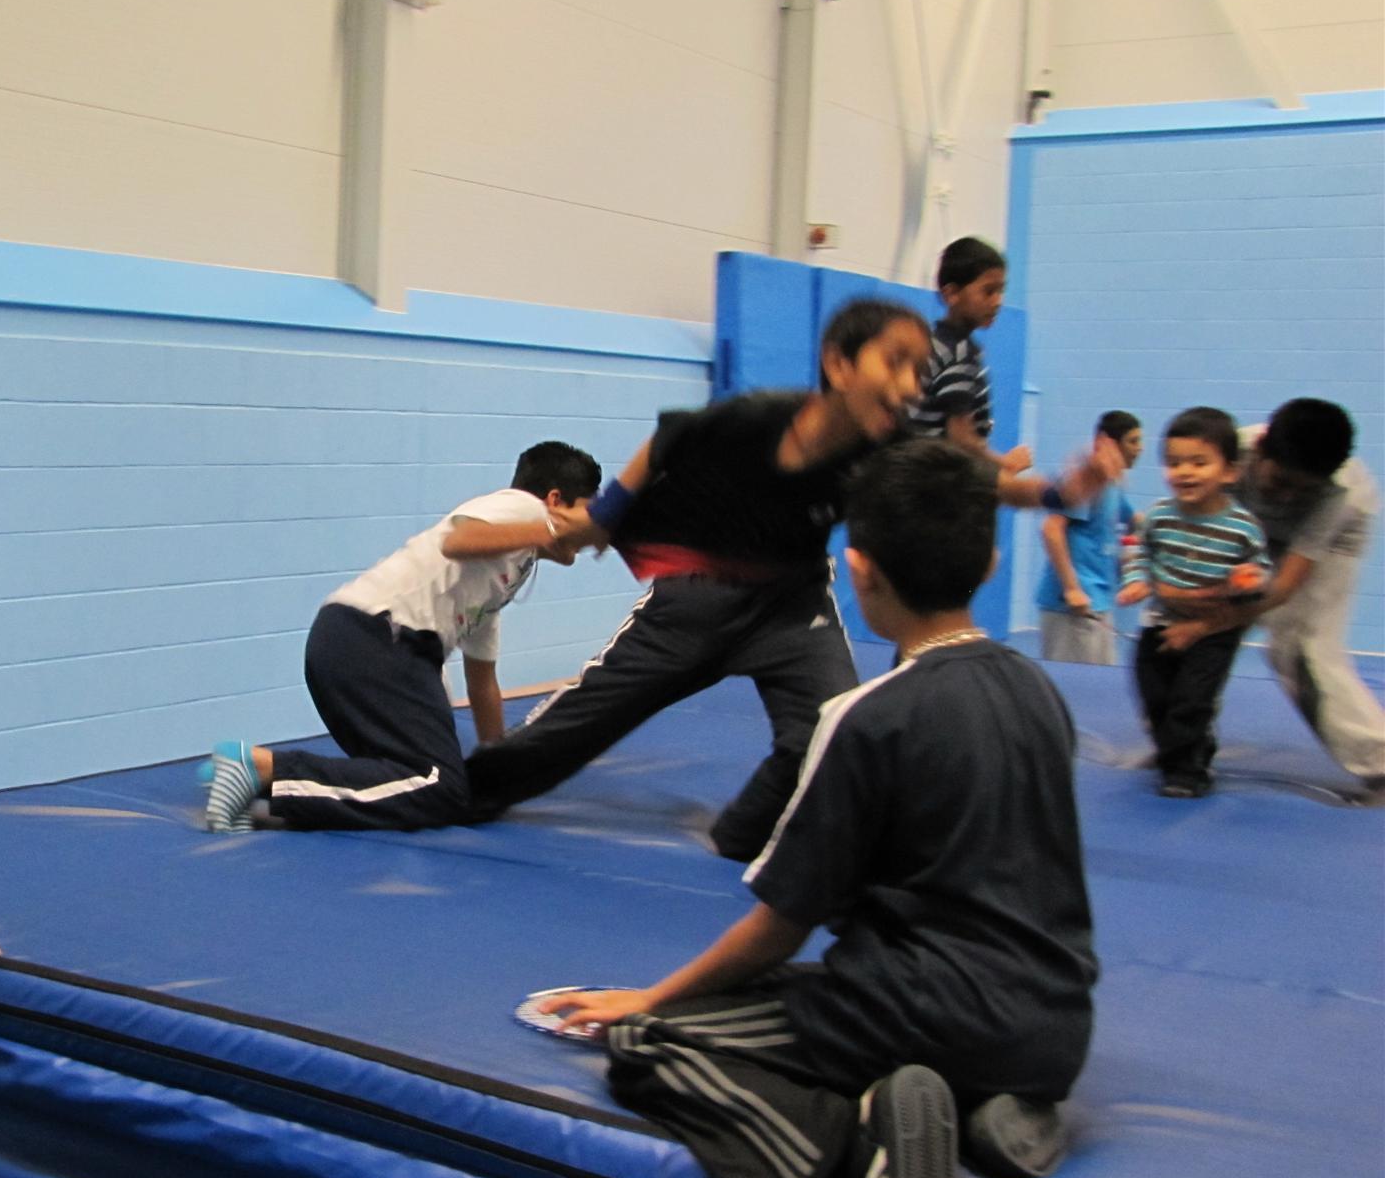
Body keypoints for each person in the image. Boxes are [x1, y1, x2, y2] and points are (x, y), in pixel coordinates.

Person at [536, 440, 1097, 1178]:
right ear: (990, 562)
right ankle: (993, 1109)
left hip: (910, 1013)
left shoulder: (866, 718)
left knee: (652, 1045)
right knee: (940, 1014)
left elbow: (780, 927)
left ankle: (869, 1132)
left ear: (859, 571)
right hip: (1057, 1027)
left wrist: (648, 998)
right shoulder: (1042, 694)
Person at [463, 299, 1119, 861]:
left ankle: (742, 837)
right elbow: (667, 443)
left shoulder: (884, 449)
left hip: (791, 609)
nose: (910, 385)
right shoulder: (755, 418)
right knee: (565, 735)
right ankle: (461, 789)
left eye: (920, 372)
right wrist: (605, 517)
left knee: (828, 733)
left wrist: (1061, 492)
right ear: (838, 363)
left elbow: (982, 479)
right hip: (696, 602)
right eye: (894, 363)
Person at [203, 441, 601, 832]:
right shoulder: (522, 507)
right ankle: (262, 769)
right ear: (554, 500)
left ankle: (254, 787)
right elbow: (457, 540)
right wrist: (550, 527)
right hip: (374, 641)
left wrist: (499, 764)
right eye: (589, 510)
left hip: (358, 642)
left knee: (423, 781)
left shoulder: (508, 566)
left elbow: (482, 682)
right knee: (439, 787)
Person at [1183, 398, 1383, 798]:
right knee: (1183, 624)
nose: (1289, 496)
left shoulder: (1338, 495)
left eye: (1302, 489)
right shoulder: (1225, 455)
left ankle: (1378, 760)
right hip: (1250, 527)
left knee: (1300, 648)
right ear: (1258, 453)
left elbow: (1285, 586)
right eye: (1281, 482)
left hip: (1329, 542)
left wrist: (1216, 620)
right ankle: (1181, 747)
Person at [1116, 406, 1271, 799]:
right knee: (1154, 692)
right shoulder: (1159, 517)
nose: (1185, 472)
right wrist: (1136, 581)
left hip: (1214, 630)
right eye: (1174, 463)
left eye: (1199, 463)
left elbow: (1259, 568)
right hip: (1160, 621)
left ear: (1230, 472)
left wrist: (1249, 578)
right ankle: (1188, 745)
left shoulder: (1241, 527)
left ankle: (1187, 769)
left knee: (1192, 697)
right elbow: (1139, 552)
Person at [906, 236, 1031, 473]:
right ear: (952, 294)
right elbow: (961, 439)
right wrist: (1007, 464)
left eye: (1001, 291)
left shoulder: (934, 342)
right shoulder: (959, 353)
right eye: (988, 291)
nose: (998, 302)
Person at [1034, 410, 1144, 665]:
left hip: (1099, 602)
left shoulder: (1113, 484)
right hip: (1072, 607)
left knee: (1100, 683)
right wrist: (1072, 589)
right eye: (1133, 441)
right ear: (1107, 442)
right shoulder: (1084, 482)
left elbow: (1135, 521)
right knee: (1072, 688)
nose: (1139, 449)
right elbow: (1051, 529)